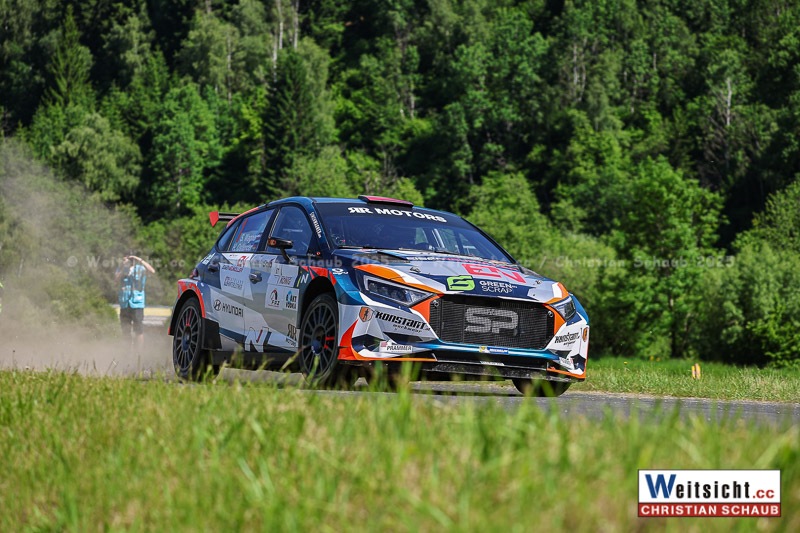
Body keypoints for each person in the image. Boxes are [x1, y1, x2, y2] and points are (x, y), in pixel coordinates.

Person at [115, 254, 156, 350]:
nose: (129, 260)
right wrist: (123, 267)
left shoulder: (140, 269)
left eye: (130, 258)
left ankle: (138, 353)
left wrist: (139, 260)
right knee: (125, 330)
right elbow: (116, 280)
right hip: (124, 304)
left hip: (137, 303)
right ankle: (126, 352)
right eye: (127, 258)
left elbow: (152, 271)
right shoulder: (121, 269)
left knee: (138, 330)